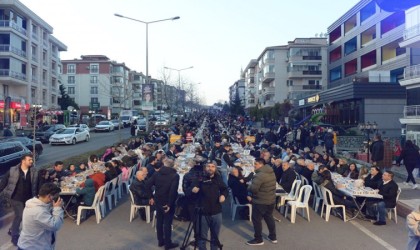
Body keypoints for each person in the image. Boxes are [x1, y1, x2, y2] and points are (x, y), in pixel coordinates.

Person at [0, 154, 38, 246]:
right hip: (16, 198)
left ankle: (12, 229)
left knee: (27, 216)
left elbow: (36, 184)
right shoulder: (13, 170)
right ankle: (15, 237)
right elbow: (4, 182)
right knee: (19, 216)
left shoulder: (34, 171)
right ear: (23, 161)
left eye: (32, 160)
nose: (32, 161)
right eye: (29, 160)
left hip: (28, 198)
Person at [192, 161, 228, 250]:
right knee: (202, 237)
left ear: (215, 168)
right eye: (208, 166)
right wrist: (193, 190)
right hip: (203, 212)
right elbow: (189, 191)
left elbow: (225, 189)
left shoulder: (218, 178)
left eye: (213, 166)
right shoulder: (199, 178)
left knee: (215, 237)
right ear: (205, 168)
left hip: (216, 212)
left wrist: (224, 195)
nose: (210, 168)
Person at [17, 183, 63, 250]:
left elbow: (46, 209)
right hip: (32, 247)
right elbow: (55, 225)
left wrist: (54, 206)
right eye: (55, 196)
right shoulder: (38, 211)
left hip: (29, 245)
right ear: (49, 196)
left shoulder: (34, 203)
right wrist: (58, 208)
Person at [146, 158, 179, 250]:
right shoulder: (175, 175)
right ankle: (168, 244)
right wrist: (169, 204)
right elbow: (173, 191)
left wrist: (151, 197)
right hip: (167, 202)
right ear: (173, 166)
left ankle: (160, 241)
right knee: (167, 223)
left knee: (159, 221)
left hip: (158, 200)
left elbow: (147, 185)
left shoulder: (157, 173)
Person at [246, 158, 277, 246]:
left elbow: (253, 189)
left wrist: (249, 186)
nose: (254, 165)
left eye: (255, 164)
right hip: (271, 200)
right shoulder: (271, 171)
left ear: (260, 164)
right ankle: (273, 237)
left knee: (257, 220)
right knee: (269, 217)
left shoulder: (259, 175)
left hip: (260, 201)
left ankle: (258, 239)